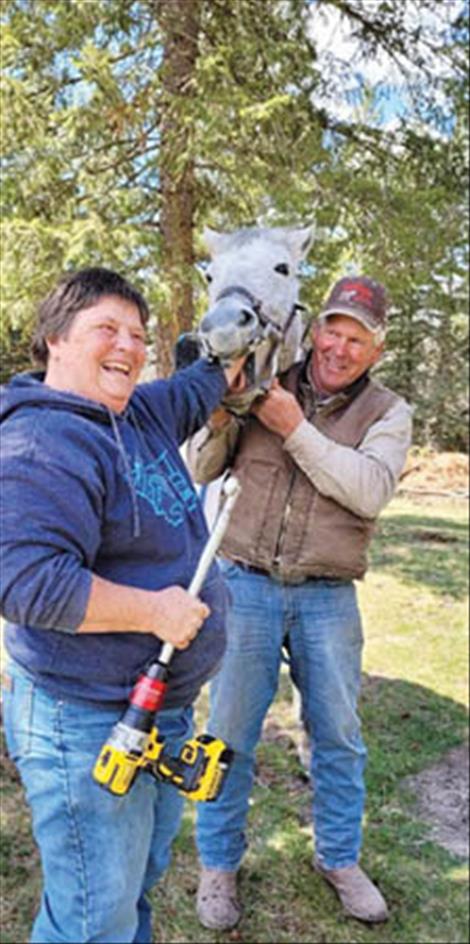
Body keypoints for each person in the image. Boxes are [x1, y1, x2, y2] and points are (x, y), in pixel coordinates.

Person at [0, 266, 245, 944]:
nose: (129, 346)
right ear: (54, 339)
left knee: (135, 883)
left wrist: (235, 336)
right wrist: (153, 612)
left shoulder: (137, 411)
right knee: (91, 915)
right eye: (106, 328)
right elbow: (26, 583)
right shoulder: (40, 442)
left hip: (157, 711)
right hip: (81, 717)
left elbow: (198, 388)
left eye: (138, 334)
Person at [187, 275, 413, 929]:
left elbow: (369, 491)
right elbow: (201, 468)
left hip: (327, 596)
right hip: (246, 584)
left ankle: (339, 859)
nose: (340, 348)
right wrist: (225, 409)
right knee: (226, 738)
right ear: (315, 330)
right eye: (333, 332)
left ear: (377, 349)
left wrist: (292, 429)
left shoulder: (389, 413)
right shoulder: (263, 380)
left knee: (338, 738)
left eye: (357, 339)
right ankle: (218, 867)